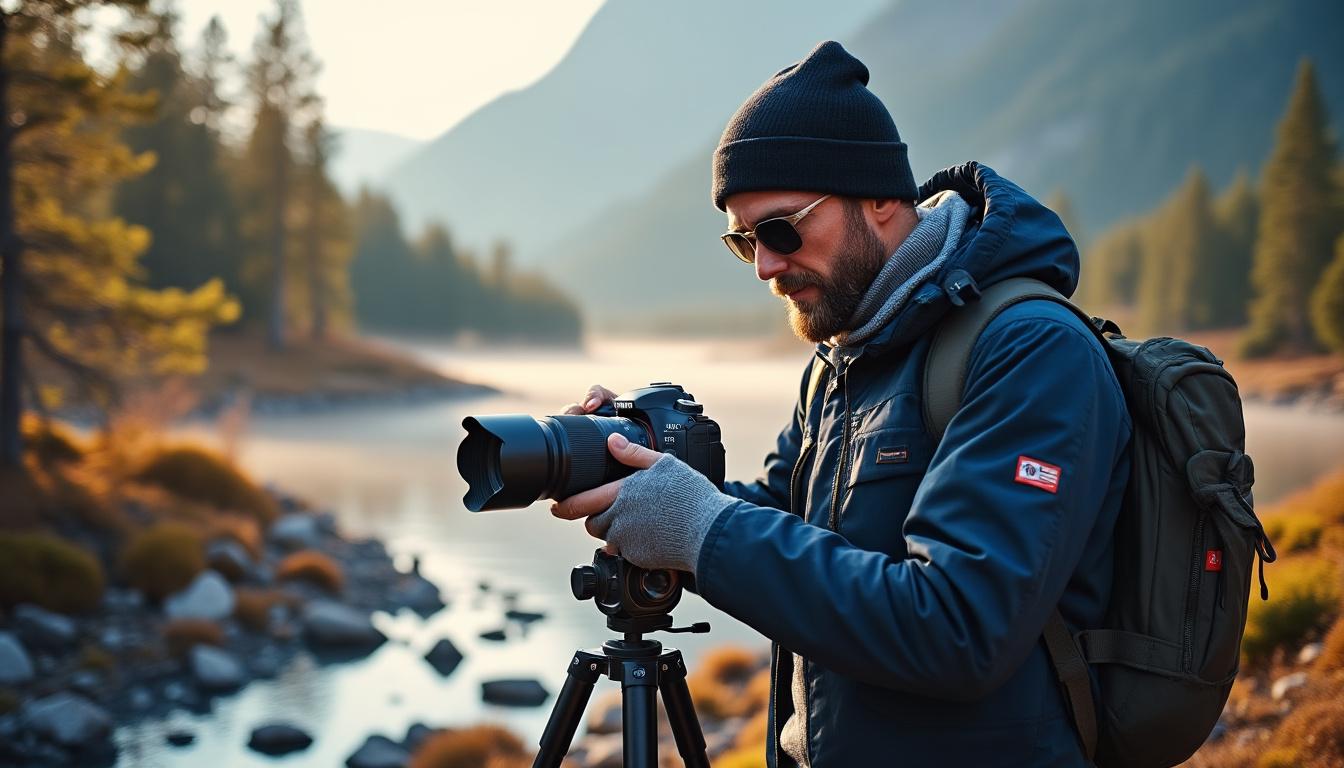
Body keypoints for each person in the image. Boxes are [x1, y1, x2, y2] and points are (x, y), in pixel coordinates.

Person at [552, 40, 1131, 767]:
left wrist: (699, 527)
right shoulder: (845, 357)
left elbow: (959, 628)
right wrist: (627, 471)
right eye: (743, 241)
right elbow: (775, 522)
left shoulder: (1030, 352)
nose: (764, 265)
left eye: (781, 229)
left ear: (882, 197)